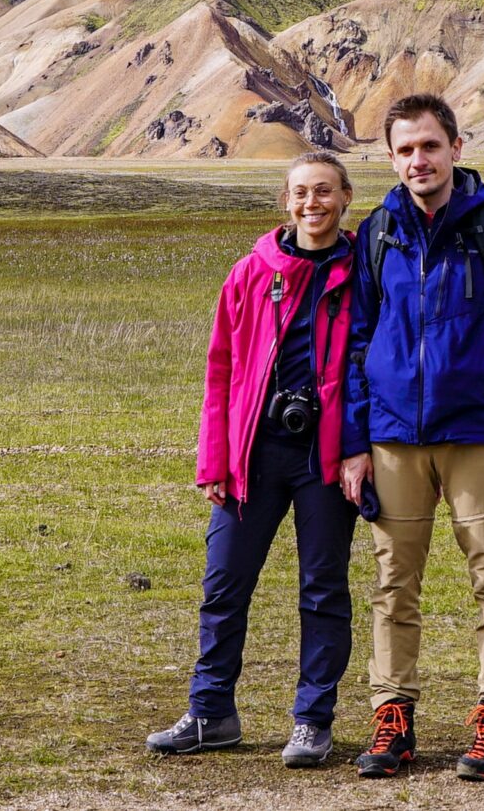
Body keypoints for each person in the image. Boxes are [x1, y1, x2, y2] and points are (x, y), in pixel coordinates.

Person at [340, 93, 484, 782]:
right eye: (404, 150)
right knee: (392, 584)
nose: (418, 161)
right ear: (391, 158)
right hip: (393, 440)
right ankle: (392, 718)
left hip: (476, 437)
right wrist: (354, 441)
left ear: (456, 148)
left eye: (429, 146)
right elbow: (357, 344)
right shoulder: (376, 233)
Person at [146, 151, 360, 768]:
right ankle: (211, 711)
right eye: (300, 193)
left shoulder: (362, 274)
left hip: (325, 456)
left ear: (345, 198)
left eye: (323, 191)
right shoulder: (250, 272)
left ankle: (312, 721)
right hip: (253, 453)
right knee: (224, 584)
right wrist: (214, 460)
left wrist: (356, 449)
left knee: (323, 589)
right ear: (285, 201)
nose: (311, 204)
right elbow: (220, 372)